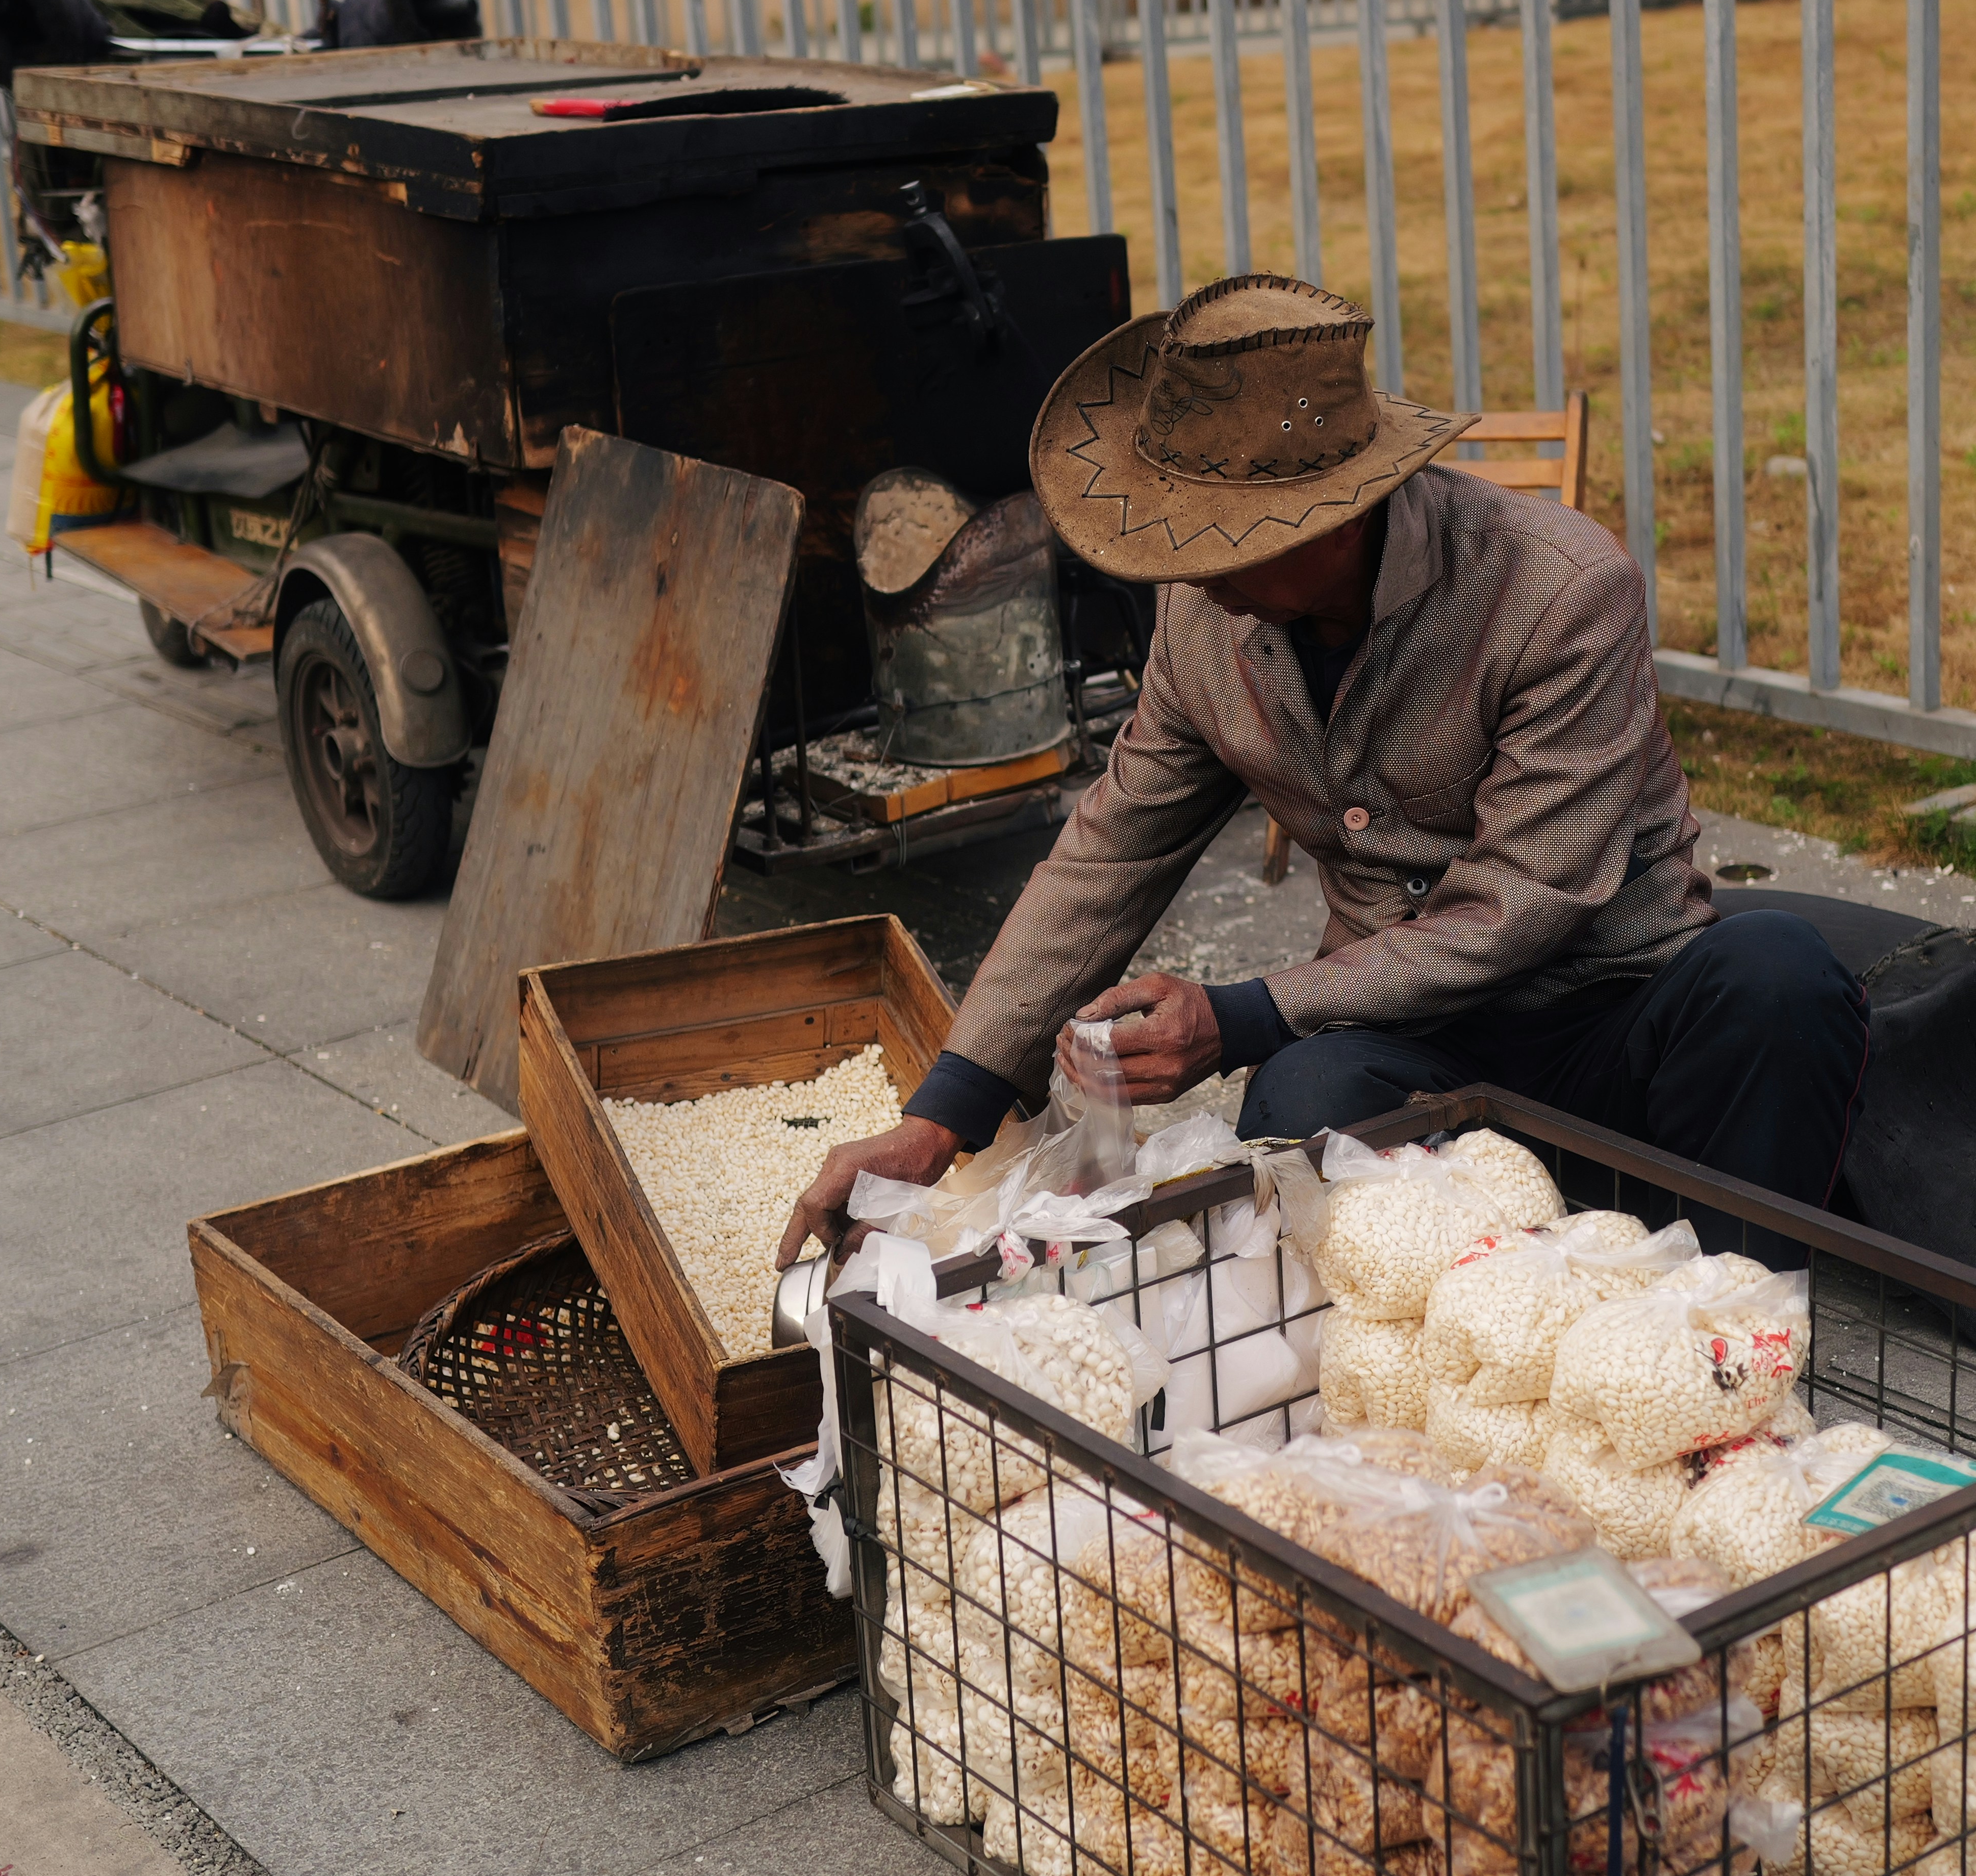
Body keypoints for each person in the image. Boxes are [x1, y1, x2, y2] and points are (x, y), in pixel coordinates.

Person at [777, 272, 1868, 1269]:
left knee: (1776, 976)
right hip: (1416, 1042)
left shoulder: (1560, 592)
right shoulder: (1204, 616)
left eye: (1221, 537)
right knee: (1300, 1098)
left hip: (1611, 1021)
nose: (1191, 571)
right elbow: (1110, 849)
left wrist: (1237, 1012)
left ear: (1341, 513)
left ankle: (1736, 1336)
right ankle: (1466, 1309)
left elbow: (1522, 905)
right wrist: (941, 1116)